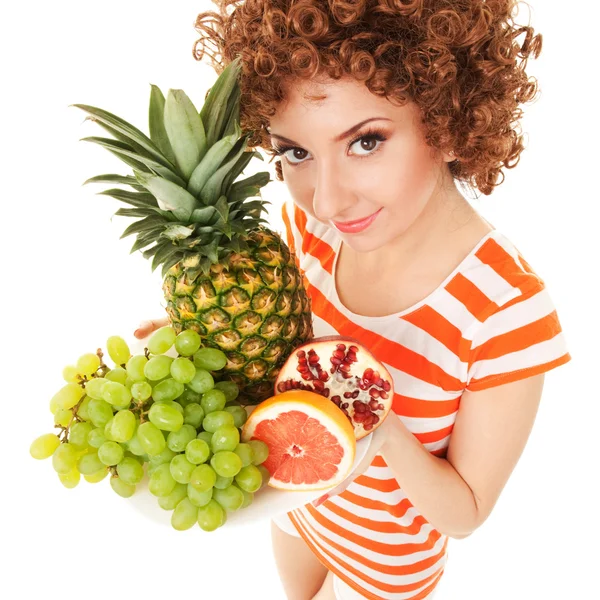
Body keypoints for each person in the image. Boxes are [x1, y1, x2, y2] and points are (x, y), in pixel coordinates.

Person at [134, 1, 571, 598]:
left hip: (383, 562)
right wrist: (215, 345)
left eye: (365, 142)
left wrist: (377, 428)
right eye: (295, 152)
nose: (329, 200)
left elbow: (464, 513)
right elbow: (281, 358)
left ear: (448, 121)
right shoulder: (308, 230)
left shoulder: (505, 309)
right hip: (294, 509)